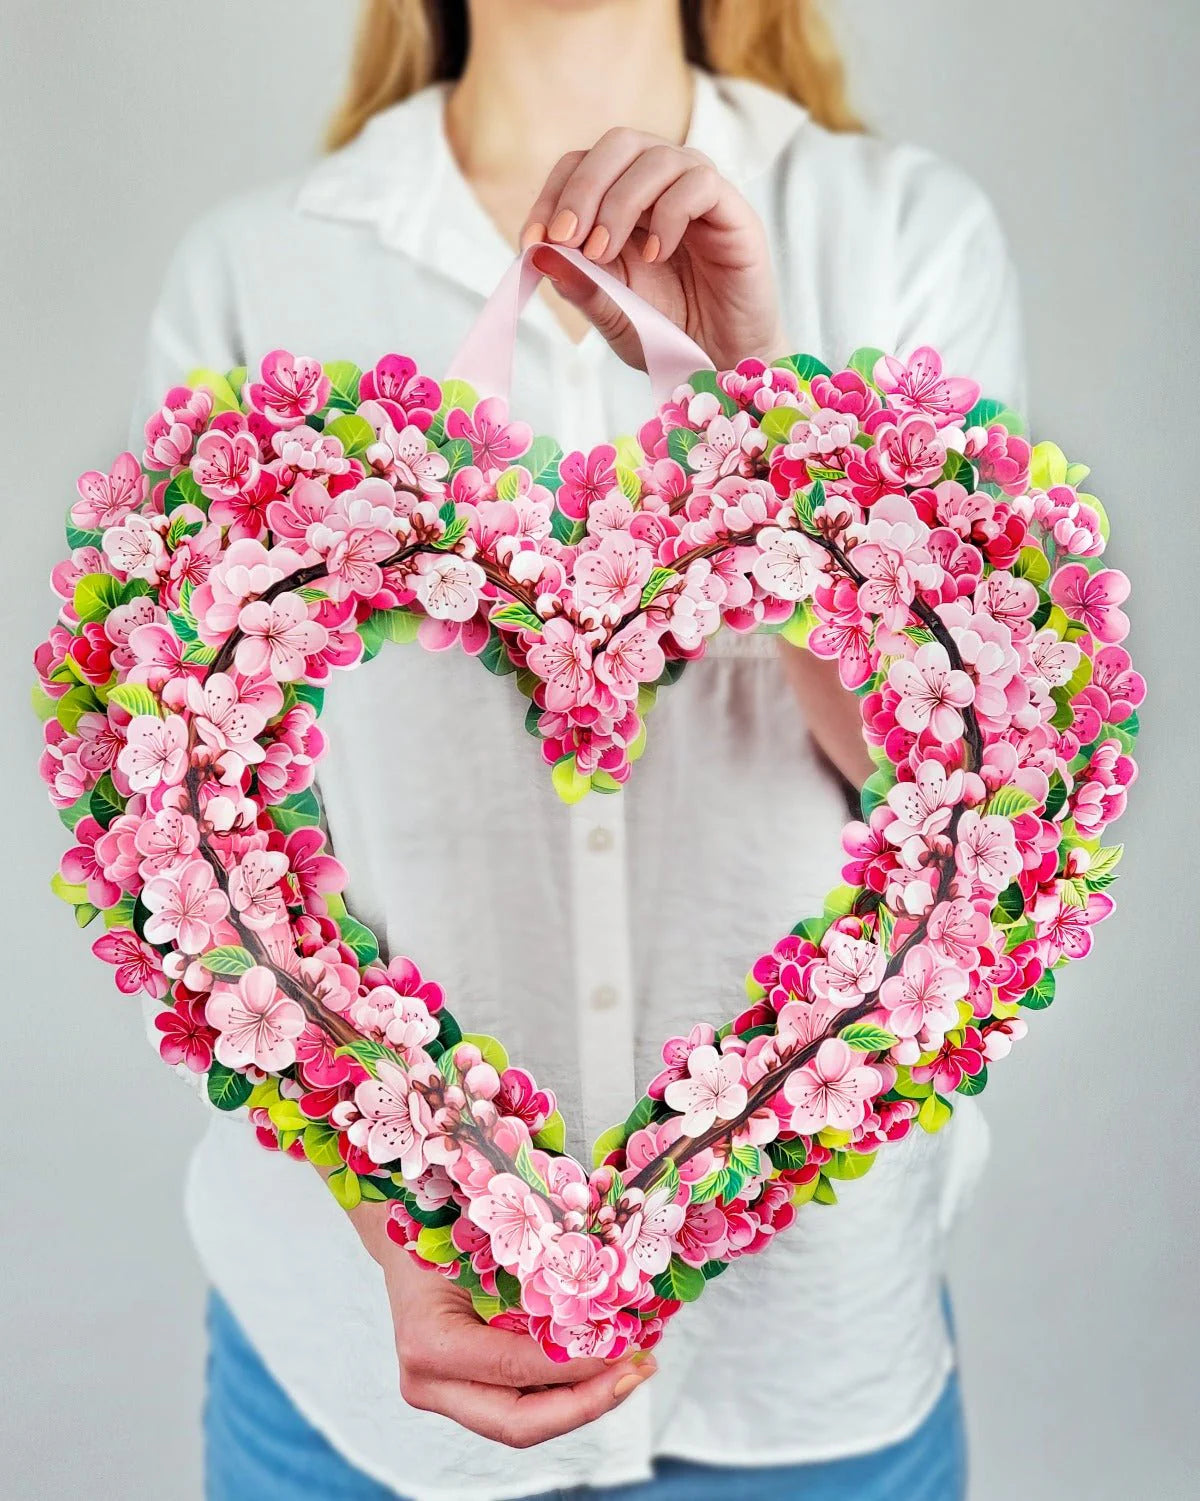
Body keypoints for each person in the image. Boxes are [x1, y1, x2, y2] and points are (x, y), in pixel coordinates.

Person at [136, 1, 1024, 1496]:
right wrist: (398, 1205)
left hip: (798, 1368)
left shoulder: (896, 230)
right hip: (356, 1373)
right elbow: (187, 837)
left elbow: (952, 781)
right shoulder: (254, 269)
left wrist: (764, 418)